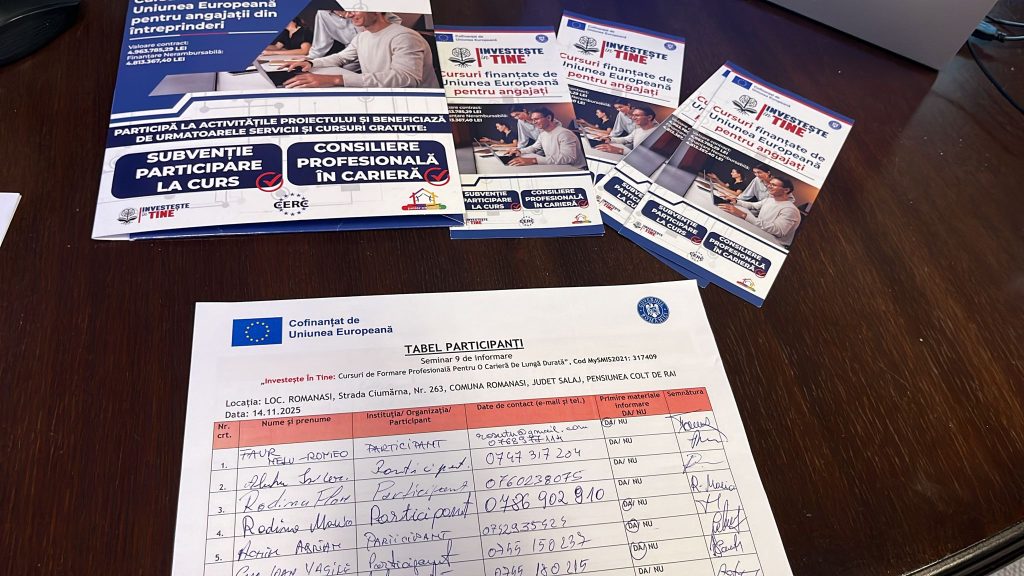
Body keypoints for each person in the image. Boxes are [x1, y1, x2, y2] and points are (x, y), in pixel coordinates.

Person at [282, 11, 439, 88]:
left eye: (355, 9)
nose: (349, 15)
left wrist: (335, 79)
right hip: (383, 96)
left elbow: (406, 79)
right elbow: (340, 58)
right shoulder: (362, 37)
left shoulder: (404, 36)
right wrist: (310, 63)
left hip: (413, 104)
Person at [719, 177, 802, 245]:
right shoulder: (769, 200)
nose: (769, 186)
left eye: (773, 185)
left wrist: (744, 215)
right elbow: (753, 206)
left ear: (786, 190)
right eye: (769, 184)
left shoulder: (790, 210)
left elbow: (778, 231)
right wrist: (736, 201)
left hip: (772, 244)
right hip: (760, 234)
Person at [307, 10, 402, 59]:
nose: (349, 15)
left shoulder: (361, 5)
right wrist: (310, 59)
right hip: (350, 52)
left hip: (377, 47)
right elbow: (321, 43)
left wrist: (375, 34)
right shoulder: (322, 13)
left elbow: (395, 21)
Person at [509, 107, 586, 169]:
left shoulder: (565, 134)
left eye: (536, 119)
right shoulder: (542, 135)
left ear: (549, 118)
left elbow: (568, 158)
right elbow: (534, 147)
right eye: (532, 120)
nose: (534, 122)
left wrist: (534, 160)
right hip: (558, 167)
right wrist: (519, 151)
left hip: (576, 169)